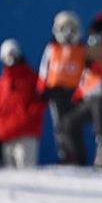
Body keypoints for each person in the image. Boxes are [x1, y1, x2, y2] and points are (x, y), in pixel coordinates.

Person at [38, 11, 86, 164]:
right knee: (59, 125)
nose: (68, 33)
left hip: (76, 92)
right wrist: (42, 88)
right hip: (56, 91)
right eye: (64, 28)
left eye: (71, 28)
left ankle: (78, 155)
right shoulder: (52, 48)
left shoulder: (83, 49)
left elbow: (88, 72)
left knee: (74, 124)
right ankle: (65, 154)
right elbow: (44, 68)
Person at [0, 39, 46, 169]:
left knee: (27, 174)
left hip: (27, 135)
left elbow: (40, 101)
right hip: (7, 136)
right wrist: (2, 126)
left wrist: (26, 119)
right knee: (10, 178)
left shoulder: (32, 77)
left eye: (13, 54)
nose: (11, 58)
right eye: (7, 55)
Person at [65, 36, 102, 168]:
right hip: (87, 101)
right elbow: (82, 86)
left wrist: (95, 65)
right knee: (69, 123)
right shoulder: (85, 68)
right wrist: (76, 98)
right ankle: (77, 157)